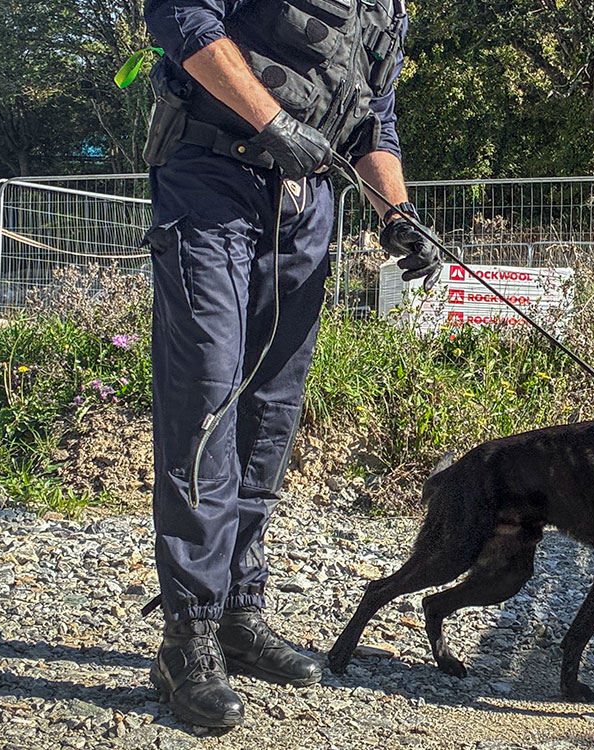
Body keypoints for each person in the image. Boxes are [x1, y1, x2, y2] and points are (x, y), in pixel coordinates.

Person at [141, 0, 441, 728]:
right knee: (207, 399)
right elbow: (179, 18)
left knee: (271, 409)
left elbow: (375, 122)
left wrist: (394, 211)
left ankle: (240, 613)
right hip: (210, 178)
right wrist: (273, 123)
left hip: (306, 205)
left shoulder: (391, 11)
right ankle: (189, 634)